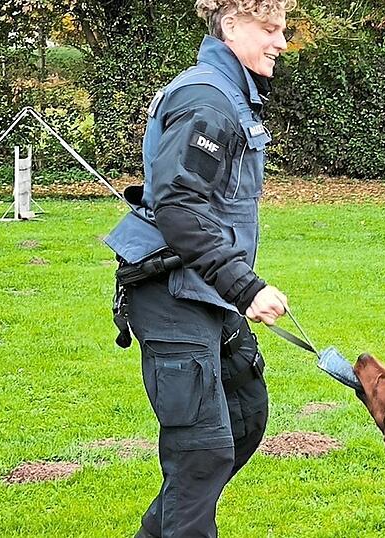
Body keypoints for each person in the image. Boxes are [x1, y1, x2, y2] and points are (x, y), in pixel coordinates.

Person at [104, 1, 295, 536]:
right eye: (271, 29)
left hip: (208, 294)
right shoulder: (206, 99)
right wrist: (246, 286)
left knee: (244, 416)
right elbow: (179, 206)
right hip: (170, 295)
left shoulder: (230, 95)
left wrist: (233, 290)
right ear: (231, 26)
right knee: (202, 452)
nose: (281, 41)